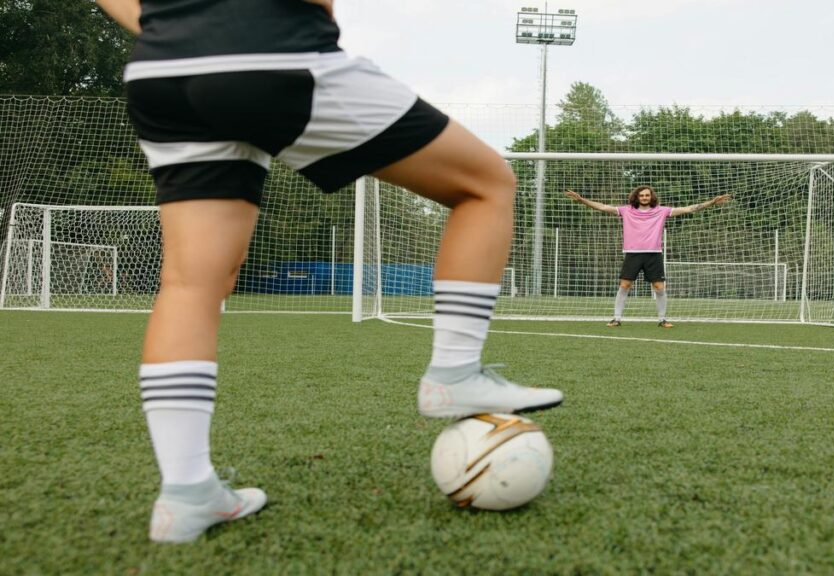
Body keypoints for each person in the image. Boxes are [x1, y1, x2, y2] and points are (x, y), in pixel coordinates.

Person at [97, 0, 562, 543]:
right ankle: (455, 375)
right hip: (268, 47)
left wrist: (174, 28)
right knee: (486, 184)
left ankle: (186, 494)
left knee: (190, 283)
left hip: (161, 68)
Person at [564, 186, 730, 327]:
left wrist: (712, 202)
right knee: (625, 285)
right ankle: (617, 318)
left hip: (654, 254)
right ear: (637, 197)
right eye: (641, 195)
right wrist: (582, 200)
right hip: (633, 254)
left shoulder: (662, 211)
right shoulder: (626, 210)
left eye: (647, 195)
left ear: (652, 197)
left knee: (659, 287)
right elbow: (602, 207)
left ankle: (662, 319)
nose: (644, 197)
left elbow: (688, 209)